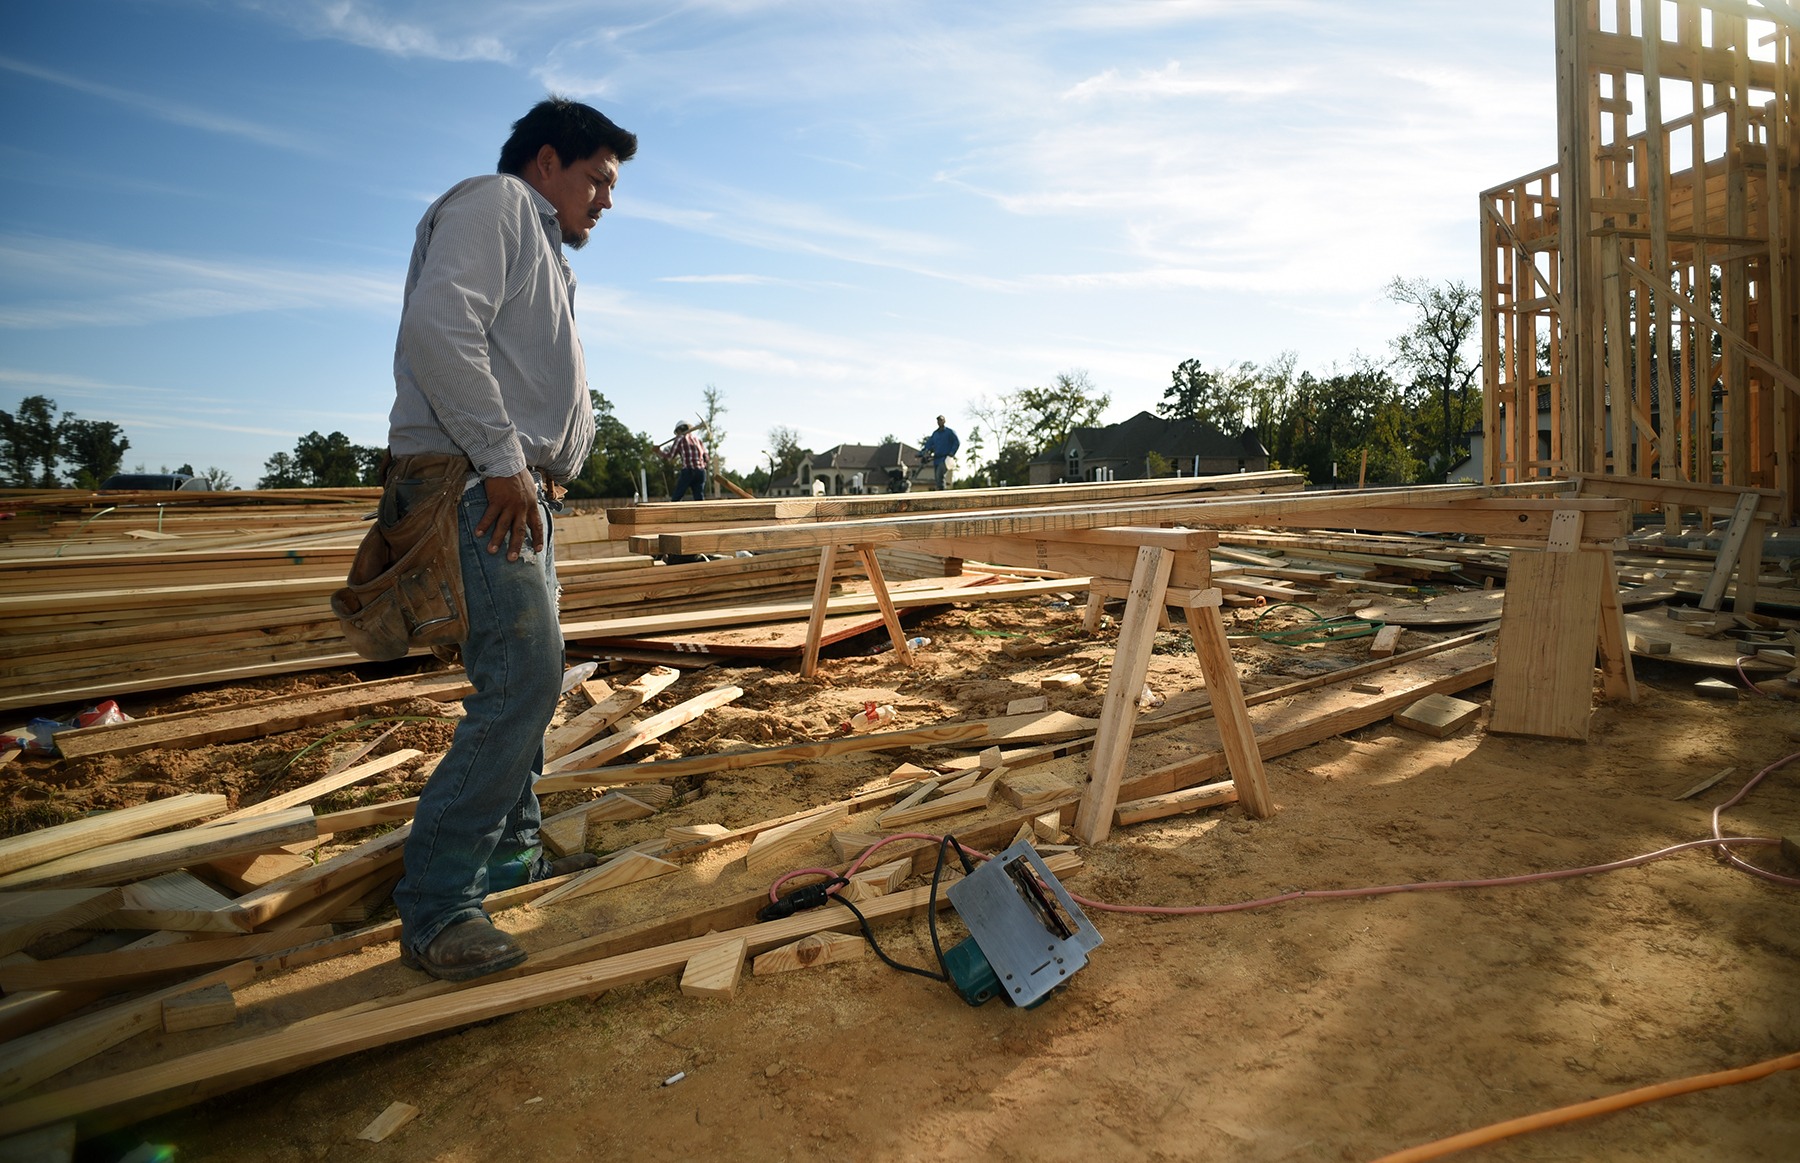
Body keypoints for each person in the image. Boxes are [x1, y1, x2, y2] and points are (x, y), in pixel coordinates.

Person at [384, 97, 637, 982]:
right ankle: (439, 907)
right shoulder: (496, 205)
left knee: (527, 682)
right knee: (523, 681)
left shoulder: (547, 252)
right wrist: (503, 462)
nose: (606, 199)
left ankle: (508, 861)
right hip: (482, 485)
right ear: (545, 163)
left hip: (514, 489)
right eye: (598, 179)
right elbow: (437, 328)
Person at [659, 421, 708, 501]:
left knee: (677, 497)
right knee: (699, 498)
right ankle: (701, 513)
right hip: (701, 472)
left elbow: (670, 456)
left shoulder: (679, 439)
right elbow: (706, 456)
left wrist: (658, 452)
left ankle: (671, 512)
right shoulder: (697, 440)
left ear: (679, 430)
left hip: (688, 471)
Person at [919, 414, 960, 489]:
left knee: (940, 475)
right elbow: (929, 444)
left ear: (944, 421)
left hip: (945, 459)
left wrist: (951, 453)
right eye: (938, 420)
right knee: (937, 479)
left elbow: (956, 442)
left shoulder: (949, 432)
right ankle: (940, 493)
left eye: (941, 420)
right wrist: (922, 452)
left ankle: (942, 496)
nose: (939, 422)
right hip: (936, 459)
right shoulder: (935, 434)